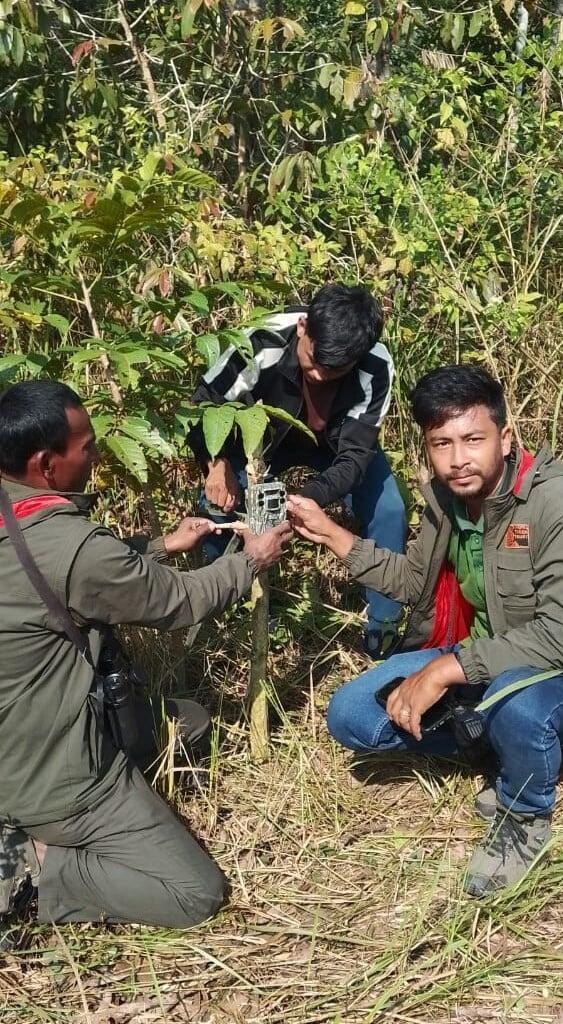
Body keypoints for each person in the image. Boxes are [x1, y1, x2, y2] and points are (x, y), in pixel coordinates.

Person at [0, 380, 290, 929]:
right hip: (54, 779)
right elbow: (180, 602)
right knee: (193, 893)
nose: (97, 453)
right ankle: (34, 863)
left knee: (191, 723)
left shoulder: (23, 517)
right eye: (86, 447)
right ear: (46, 464)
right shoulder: (73, 549)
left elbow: (71, 573)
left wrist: (161, 546)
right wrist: (250, 560)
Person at [287, 365, 563, 897]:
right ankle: (500, 747)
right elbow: (415, 580)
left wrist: (446, 668)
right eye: (441, 444)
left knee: (519, 706)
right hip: (480, 657)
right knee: (354, 716)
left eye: (473, 439)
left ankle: (524, 813)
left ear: (506, 439)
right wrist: (331, 536)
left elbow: (556, 633)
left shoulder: (550, 500)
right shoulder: (444, 498)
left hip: (546, 670)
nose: (458, 459)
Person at [189, 283, 407, 658]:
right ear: (303, 327)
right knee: (217, 507)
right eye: (314, 359)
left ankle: (384, 630)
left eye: (336, 369)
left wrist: (306, 499)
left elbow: (354, 458)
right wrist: (217, 462)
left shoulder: (376, 363)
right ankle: (233, 607)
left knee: (390, 510)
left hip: (336, 445)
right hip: (267, 438)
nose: (321, 375)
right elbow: (204, 404)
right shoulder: (262, 341)